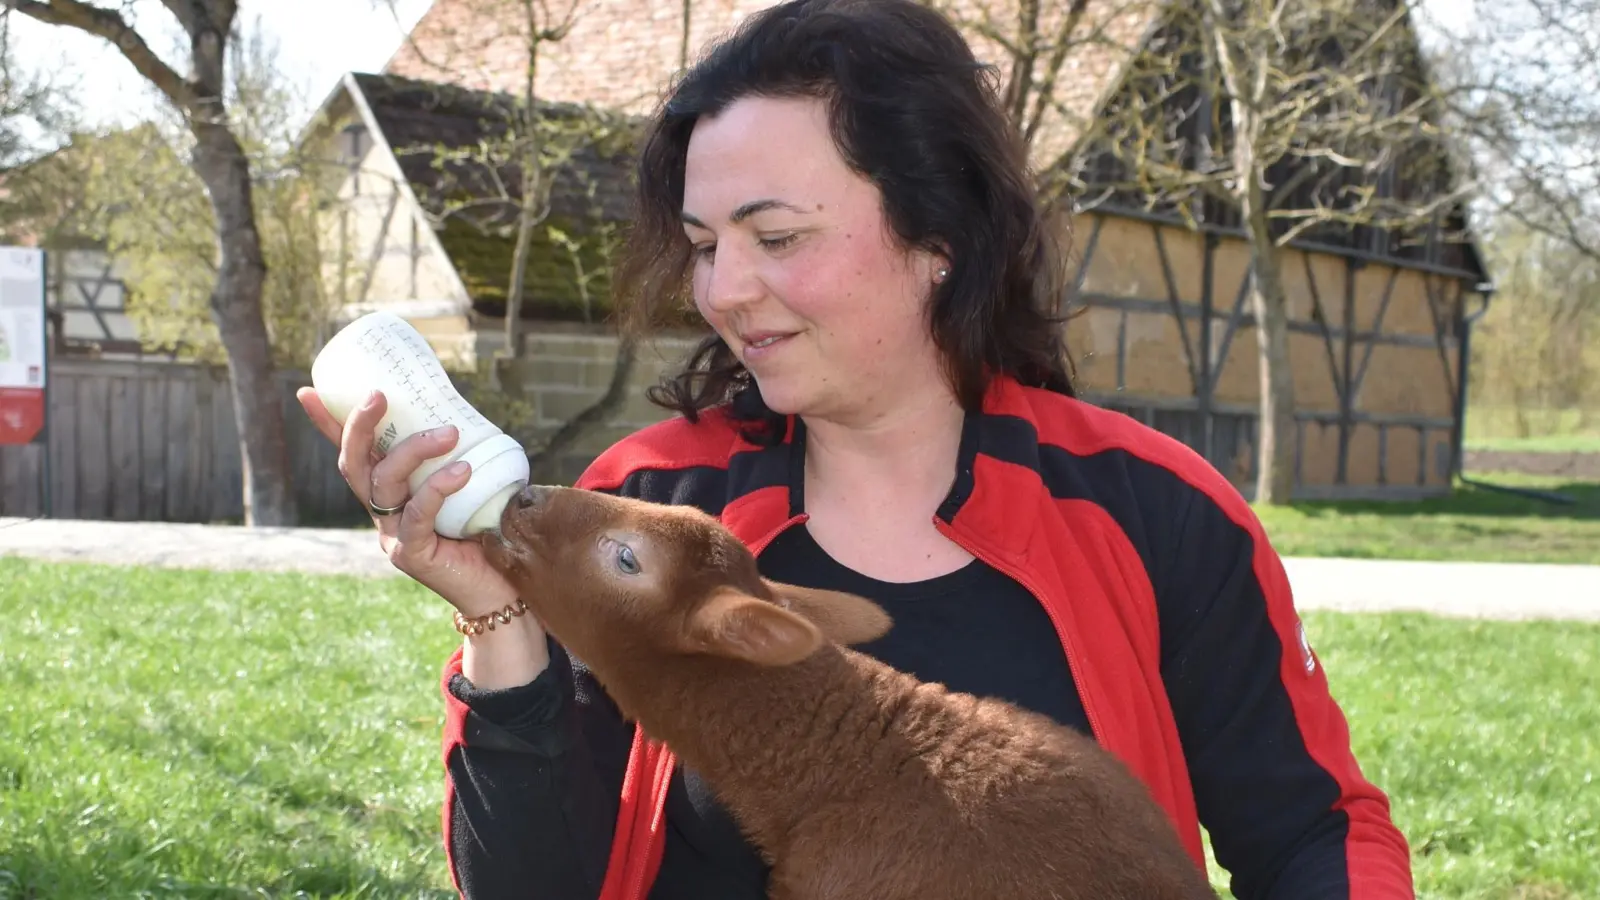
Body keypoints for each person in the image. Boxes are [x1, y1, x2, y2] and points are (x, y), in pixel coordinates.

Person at [297, 0, 1415, 897]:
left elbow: (1315, 834)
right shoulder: (645, 498)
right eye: (703, 245)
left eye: (777, 236)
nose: (724, 290)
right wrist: (493, 614)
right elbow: (535, 885)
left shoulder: (1156, 513)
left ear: (939, 236)